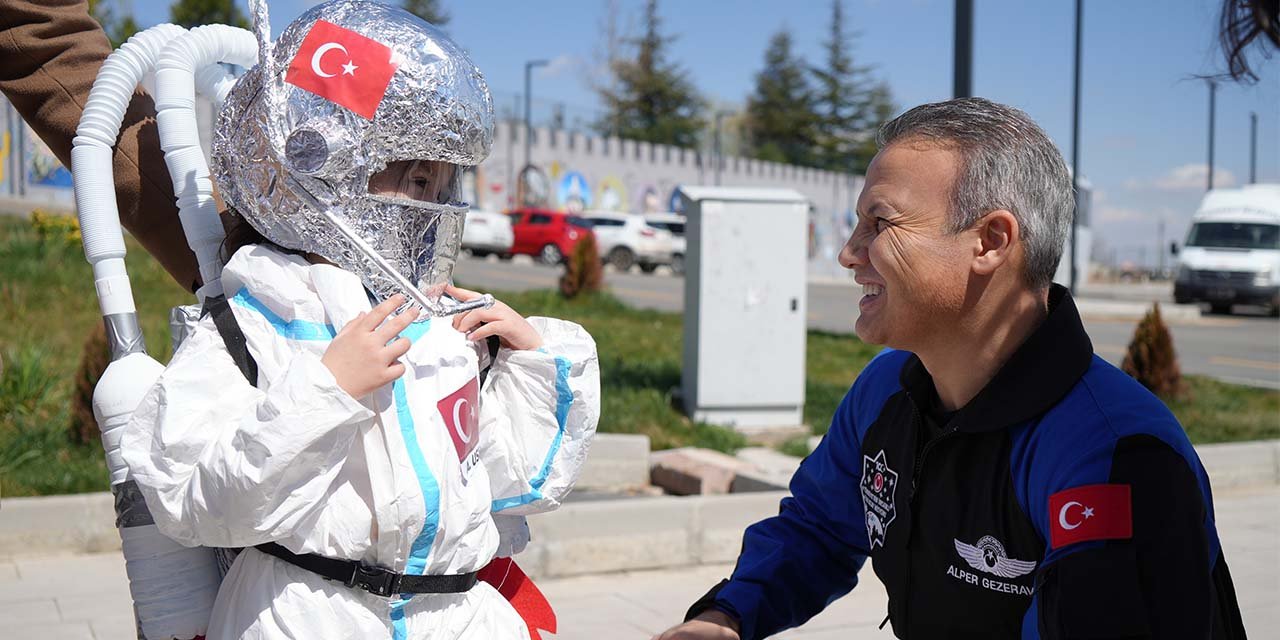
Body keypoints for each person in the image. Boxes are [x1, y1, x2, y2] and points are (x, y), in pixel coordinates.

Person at [655, 98, 1246, 640]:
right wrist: (726, 616)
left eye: (880, 223)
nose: (848, 253)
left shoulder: (1113, 455)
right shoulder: (884, 390)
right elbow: (818, 528)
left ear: (990, 241)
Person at [120, 2, 599, 639]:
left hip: (458, 615)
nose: (432, 206)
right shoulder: (254, 322)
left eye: (441, 184)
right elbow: (197, 502)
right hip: (308, 616)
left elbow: (512, 485)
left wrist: (531, 362)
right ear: (328, 169)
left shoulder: (436, 321)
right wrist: (328, 391)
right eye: (416, 179)